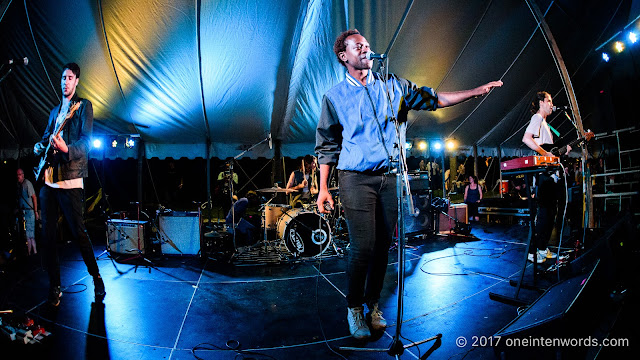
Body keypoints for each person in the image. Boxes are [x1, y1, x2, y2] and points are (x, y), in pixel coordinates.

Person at [315, 29, 503, 339]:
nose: (365, 48)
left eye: (366, 44)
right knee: (362, 247)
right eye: (357, 46)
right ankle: (354, 308)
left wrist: (474, 91)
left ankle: (373, 305)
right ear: (343, 56)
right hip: (355, 179)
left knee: (381, 248)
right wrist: (323, 187)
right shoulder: (334, 96)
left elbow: (434, 98)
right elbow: (326, 145)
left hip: (389, 177)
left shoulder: (394, 86)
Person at [33, 63, 105, 306]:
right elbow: (45, 138)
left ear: (77, 82)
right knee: (47, 236)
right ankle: (55, 285)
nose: (65, 81)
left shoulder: (83, 106)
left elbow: (86, 143)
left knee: (79, 233)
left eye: (70, 78)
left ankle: (96, 278)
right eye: (63, 77)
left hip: (71, 179)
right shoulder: (55, 111)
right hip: (49, 181)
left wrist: (67, 149)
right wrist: (39, 147)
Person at [521, 91, 571, 264]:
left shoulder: (545, 124)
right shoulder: (537, 119)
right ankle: (534, 252)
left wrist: (559, 153)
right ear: (541, 102)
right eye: (549, 101)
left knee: (550, 213)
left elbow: (550, 149)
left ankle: (542, 249)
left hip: (549, 175)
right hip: (544, 176)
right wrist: (545, 154)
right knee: (545, 214)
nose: (551, 104)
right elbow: (527, 139)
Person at [16, 168, 39, 255]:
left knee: (31, 235)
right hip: (24, 213)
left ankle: (34, 253)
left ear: (23, 175)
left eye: (19, 174)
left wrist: (36, 211)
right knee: (28, 235)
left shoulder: (27, 184)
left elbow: (34, 197)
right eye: (17, 175)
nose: (18, 177)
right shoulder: (19, 186)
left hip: (30, 212)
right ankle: (30, 253)